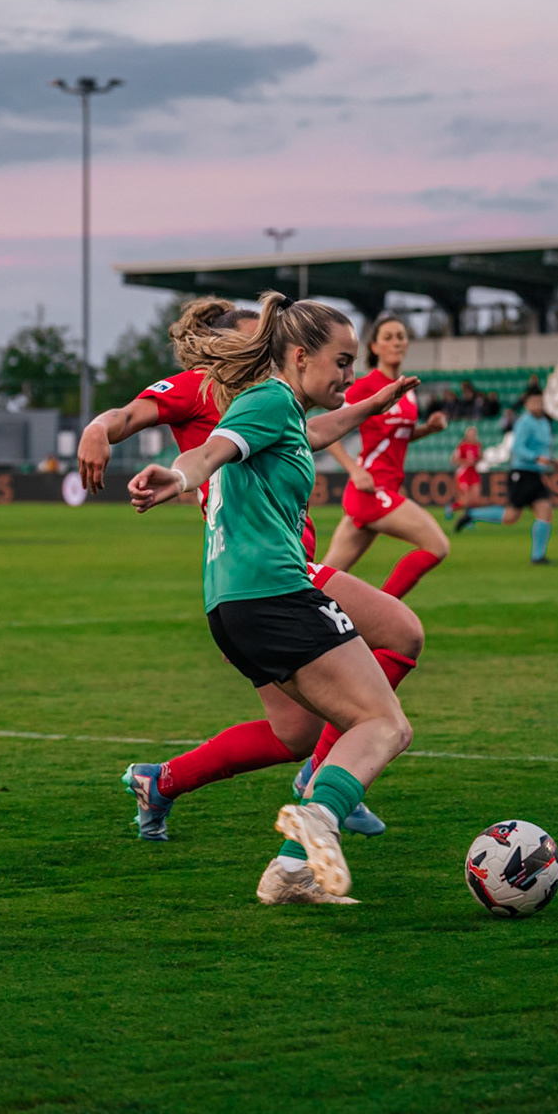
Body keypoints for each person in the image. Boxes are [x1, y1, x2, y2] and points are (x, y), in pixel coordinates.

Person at [77, 297, 421, 846]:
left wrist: (369, 405)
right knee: (401, 638)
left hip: (244, 580)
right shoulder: (207, 389)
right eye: (258, 336)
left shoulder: (274, 396)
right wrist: (101, 428)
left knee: (293, 733)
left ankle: (162, 780)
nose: (268, 344)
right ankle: (328, 783)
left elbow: (308, 434)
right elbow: (181, 442)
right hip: (271, 570)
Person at [322, 314, 453, 599]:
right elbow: (326, 431)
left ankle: (291, 627)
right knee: (437, 546)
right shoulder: (367, 386)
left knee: (324, 577)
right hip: (370, 489)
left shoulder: (406, 389)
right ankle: (385, 617)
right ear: (374, 347)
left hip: (383, 488)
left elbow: (396, 438)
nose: (396, 342)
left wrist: (428, 430)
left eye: (401, 336)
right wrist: (354, 470)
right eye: (388, 337)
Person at [454, 386, 556, 564]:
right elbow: (517, 448)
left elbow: (544, 449)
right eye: (533, 402)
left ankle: (538, 556)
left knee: (545, 510)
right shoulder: (525, 422)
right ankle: (472, 514)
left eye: (539, 401)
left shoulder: (545, 422)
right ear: (526, 404)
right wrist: (537, 458)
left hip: (536, 474)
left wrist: (552, 461)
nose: (537, 405)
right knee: (511, 516)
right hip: (522, 473)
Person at [447, 425, 484, 518]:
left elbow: (480, 457)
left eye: (473, 434)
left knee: (475, 499)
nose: (472, 436)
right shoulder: (462, 446)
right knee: (465, 500)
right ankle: (451, 508)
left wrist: (477, 460)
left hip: (473, 472)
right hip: (464, 473)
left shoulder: (478, 445)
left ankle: (468, 518)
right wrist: (465, 462)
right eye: (470, 434)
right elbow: (454, 460)